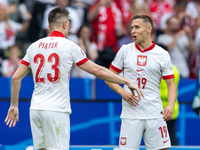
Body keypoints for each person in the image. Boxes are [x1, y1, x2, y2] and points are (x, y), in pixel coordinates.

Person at [4, 7, 143, 150]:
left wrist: (14, 106)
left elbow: (15, 78)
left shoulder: (34, 46)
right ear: (65, 24)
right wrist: (126, 81)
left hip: (35, 110)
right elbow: (98, 71)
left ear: (49, 25)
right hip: (56, 110)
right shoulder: (69, 46)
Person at [105, 15, 176, 150]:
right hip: (131, 114)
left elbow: (171, 84)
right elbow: (108, 76)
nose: (133, 31)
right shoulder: (125, 50)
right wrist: (123, 92)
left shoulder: (162, 54)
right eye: (132, 28)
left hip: (155, 113)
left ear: (149, 29)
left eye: (137, 27)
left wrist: (170, 105)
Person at [160, 64, 180, 145]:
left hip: (159, 106)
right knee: (171, 134)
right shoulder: (175, 69)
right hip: (172, 106)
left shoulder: (156, 68)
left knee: (157, 136)